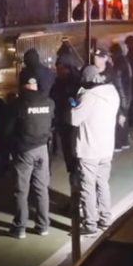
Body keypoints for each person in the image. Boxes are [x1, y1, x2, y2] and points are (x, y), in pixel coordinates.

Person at [71, 65, 119, 236]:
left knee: (88, 187)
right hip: (106, 148)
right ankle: (105, 219)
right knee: (103, 184)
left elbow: (74, 119)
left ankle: (90, 224)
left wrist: (75, 101)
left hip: (89, 149)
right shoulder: (113, 93)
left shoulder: (88, 96)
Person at [10, 72, 54, 239]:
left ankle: (20, 227)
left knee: (21, 190)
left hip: (24, 150)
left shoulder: (18, 103)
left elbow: (9, 128)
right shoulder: (49, 102)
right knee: (42, 189)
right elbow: (52, 122)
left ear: (22, 85)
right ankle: (43, 226)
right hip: (43, 149)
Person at [50, 60, 81, 188]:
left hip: (71, 123)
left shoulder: (72, 84)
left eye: (60, 68)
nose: (57, 71)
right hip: (64, 121)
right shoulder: (60, 82)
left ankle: (77, 196)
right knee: (70, 157)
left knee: (73, 159)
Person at [109, 43, 133, 150]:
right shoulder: (124, 60)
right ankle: (124, 142)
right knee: (123, 118)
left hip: (121, 94)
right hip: (127, 92)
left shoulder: (118, 64)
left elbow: (118, 81)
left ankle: (118, 144)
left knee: (118, 118)